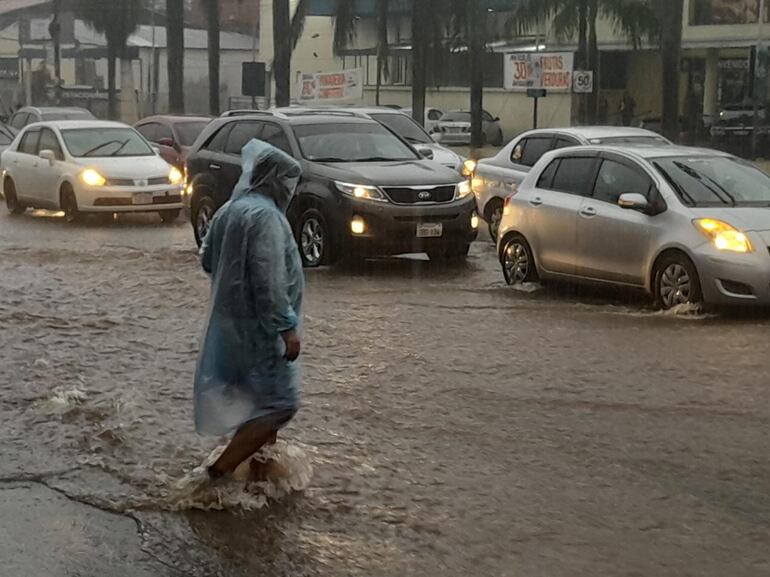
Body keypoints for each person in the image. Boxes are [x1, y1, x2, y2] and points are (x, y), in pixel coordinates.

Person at [194, 139, 304, 481]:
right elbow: (268, 279)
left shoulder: (229, 210)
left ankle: (260, 480)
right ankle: (218, 473)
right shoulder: (267, 218)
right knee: (279, 404)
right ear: (274, 180)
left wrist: (234, 285)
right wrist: (286, 327)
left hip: (229, 327)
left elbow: (208, 259)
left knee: (256, 405)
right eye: (286, 180)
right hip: (260, 331)